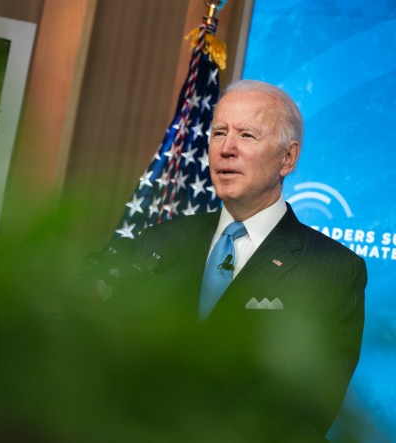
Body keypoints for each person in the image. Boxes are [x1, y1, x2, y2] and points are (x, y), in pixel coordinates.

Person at [108, 79, 366, 440]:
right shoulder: (163, 240)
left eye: (246, 135)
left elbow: (310, 411)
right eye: (218, 133)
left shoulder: (332, 269)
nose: (226, 149)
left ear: (287, 158)